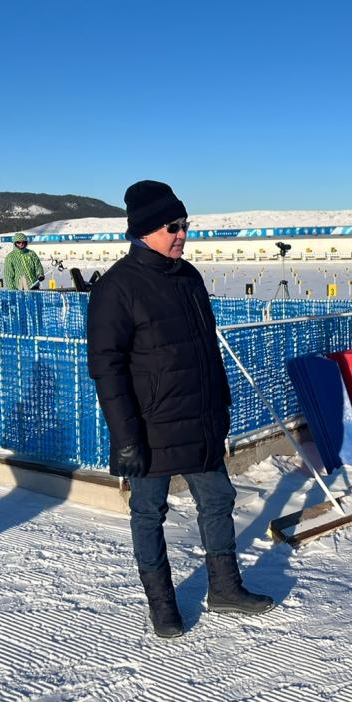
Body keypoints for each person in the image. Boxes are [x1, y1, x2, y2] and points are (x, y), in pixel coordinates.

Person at [87, 180, 273, 638]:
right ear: (144, 230)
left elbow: (207, 350)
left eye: (185, 224)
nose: (181, 233)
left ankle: (225, 588)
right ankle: (162, 605)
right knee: (149, 513)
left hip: (200, 418)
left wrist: (221, 403)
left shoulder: (189, 277)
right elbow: (106, 370)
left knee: (218, 499)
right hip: (150, 427)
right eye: (173, 226)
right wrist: (125, 437)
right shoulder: (117, 288)